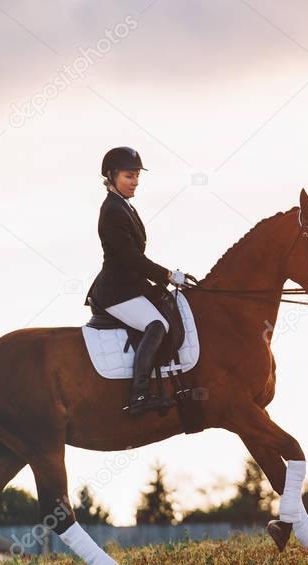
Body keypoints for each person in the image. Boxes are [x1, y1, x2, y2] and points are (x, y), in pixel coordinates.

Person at [84, 146, 196, 417]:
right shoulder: (112, 210)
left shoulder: (124, 206)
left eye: (136, 176)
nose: (135, 182)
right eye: (128, 176)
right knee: (156, 324)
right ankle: (140, 394)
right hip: (116, 291)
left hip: (131, 285)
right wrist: (168, 275)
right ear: (111, 176)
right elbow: (131, 258)